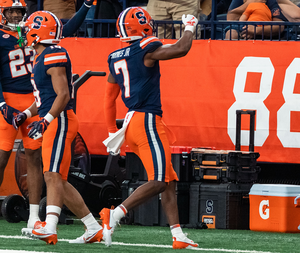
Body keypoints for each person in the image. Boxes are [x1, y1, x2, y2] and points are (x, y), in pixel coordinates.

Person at [100, 6, 199, 250]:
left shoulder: (114, 57)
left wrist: (112, 130)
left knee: (169, 179)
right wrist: (189, 27)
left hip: (132, 121)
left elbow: (108, 100)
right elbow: (181, 49)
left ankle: (177, 234)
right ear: (142, 26)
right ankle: (114, 215)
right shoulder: (146, 47)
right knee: (158, 180)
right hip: (147, 121)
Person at [0, 0, 95, 231]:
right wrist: (2, 102)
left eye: (19, 11)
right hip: (17, 101)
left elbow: (65, 29)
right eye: (10, 11)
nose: (15, 15)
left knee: (38, 160)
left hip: (41, 105)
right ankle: (87, 226)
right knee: (3, 157)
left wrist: (85, 6)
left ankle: (37, 217)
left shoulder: (39, 36)